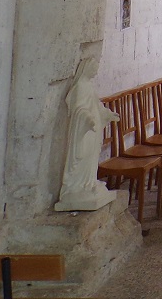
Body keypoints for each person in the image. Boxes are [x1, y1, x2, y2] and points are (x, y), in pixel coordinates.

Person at [55, 57, 118, 212]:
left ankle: (89, 184)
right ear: (86, 68)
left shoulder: (88, 86)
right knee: (82, 159)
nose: (96, 71)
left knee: (90, 159)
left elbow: (96, 105)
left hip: (93, 131)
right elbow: (78, 110)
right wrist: (88, 119)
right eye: (94, 68)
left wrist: (107, 114)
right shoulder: (80, 87)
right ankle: (77, 188)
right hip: (85, 130)